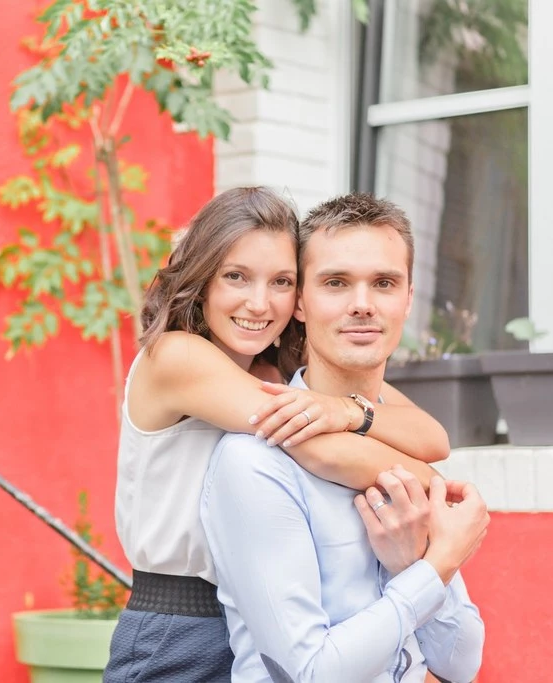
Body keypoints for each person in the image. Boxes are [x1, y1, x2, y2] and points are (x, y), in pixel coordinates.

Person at [104, 187, 455, 683]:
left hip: (252, 620)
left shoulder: (275, 371)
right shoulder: (175, 357)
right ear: (201, 279)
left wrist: (349, 410)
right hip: (180, 626)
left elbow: (431, 434)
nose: (258, 301)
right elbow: (323, 449)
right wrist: (437, 486)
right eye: (235, 277)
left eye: (281, 281)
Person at [200, 192, 489, 683]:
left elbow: (460, 665)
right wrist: (436, 564)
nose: (362, 305)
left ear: (408, 298)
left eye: (383, 283)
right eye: (336, 283)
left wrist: (407, 565)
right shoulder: (255, 462)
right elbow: (309, 674)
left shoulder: (401, 449)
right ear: (300, 304)